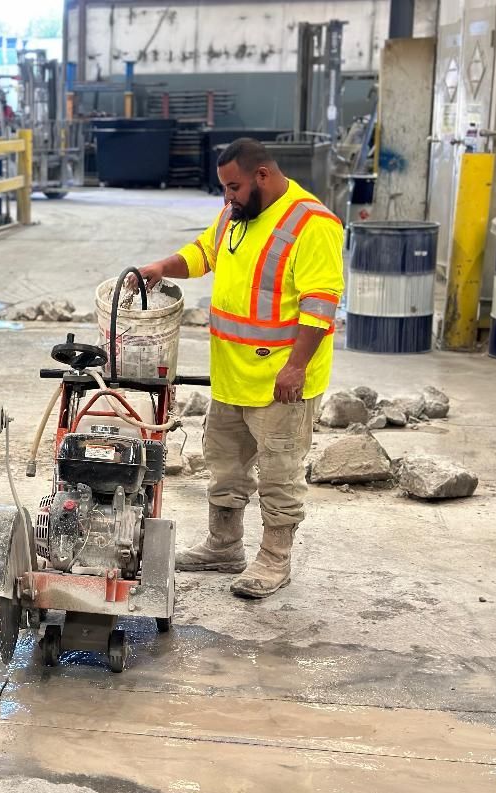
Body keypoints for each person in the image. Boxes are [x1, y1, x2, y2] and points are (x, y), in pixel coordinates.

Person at [137, 138, 344, 598]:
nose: (227, 198)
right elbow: (204, 254)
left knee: (279, 473)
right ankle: (224, 545)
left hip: (280, 383)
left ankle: (274, 559)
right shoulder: (236, 213)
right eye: (225, 189)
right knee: (226, 467)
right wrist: (162, 266)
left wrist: (296, 367)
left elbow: (320, 305)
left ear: (263, 176)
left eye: (234, 187)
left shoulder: (312, 224)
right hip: (231, 377)